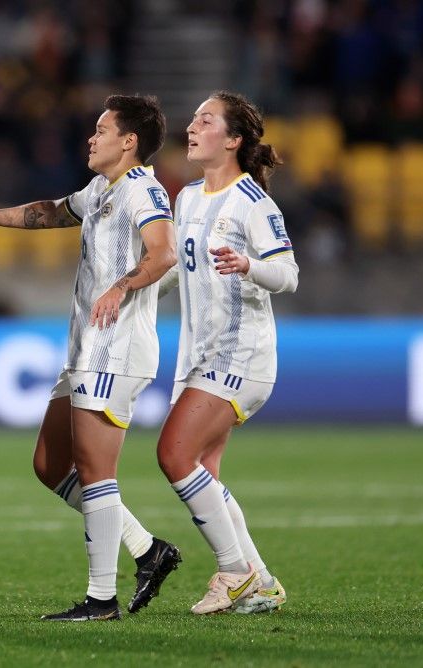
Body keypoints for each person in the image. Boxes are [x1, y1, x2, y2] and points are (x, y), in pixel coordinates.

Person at [0, 95, 181, 621]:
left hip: (117, 349)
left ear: (129, 141)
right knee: (50, 465)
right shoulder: (101, 190)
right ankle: (148, 550)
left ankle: (100, 600)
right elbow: (51, 211)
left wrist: (121, 286)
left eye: (101, 129)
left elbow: (163, 251)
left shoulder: (144, 190)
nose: (91, 138)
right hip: (86, 349)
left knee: (95, 469)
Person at [156, 91, 297, 615]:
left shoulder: (254, 203)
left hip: (241, 356)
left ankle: (234, 572)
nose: (191, 125)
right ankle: (259, 579)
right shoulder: (188, 197)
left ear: (233, 140)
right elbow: (180, 268)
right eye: (192, 117)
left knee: (172, 454)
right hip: (199, 357)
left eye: (205, 119)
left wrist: (248, 265)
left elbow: (289, 274)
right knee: (203, 475)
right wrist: (135, 291)